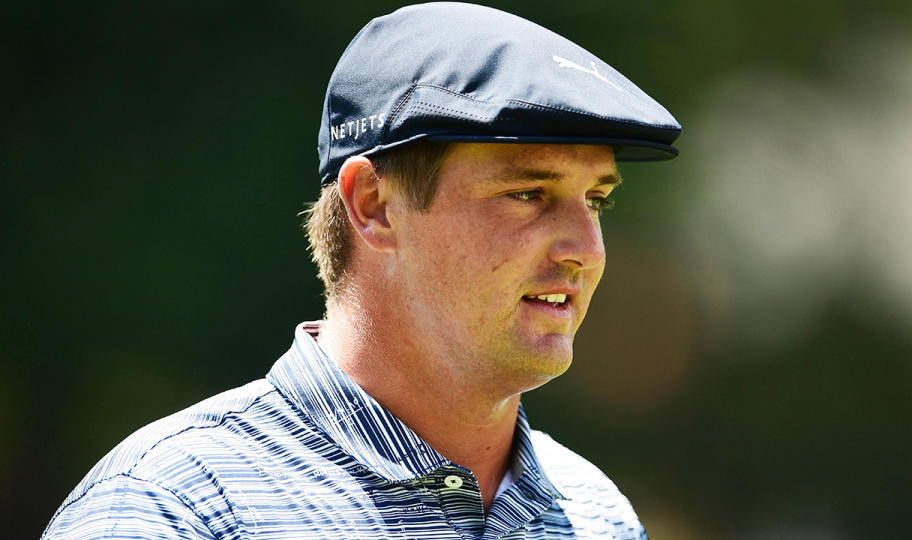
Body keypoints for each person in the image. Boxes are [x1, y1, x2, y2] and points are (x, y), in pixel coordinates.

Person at [43, 3, 680, 539]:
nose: (585, 249)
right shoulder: (174, 509)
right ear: (374, 206)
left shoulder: (597, 517)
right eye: (527, 194)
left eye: (596, 200)